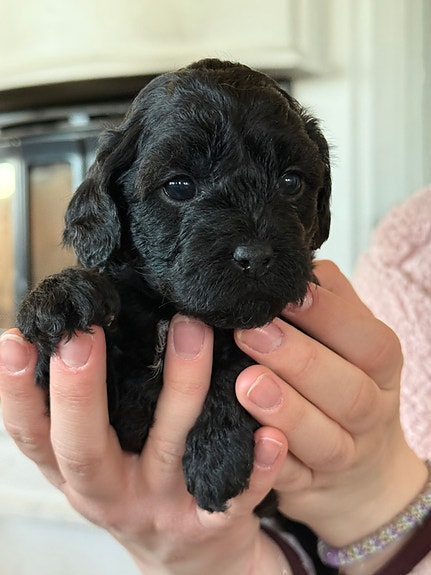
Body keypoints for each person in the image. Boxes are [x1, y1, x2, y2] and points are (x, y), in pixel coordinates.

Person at [0, 258, 430, 574]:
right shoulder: (401, 256)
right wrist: (212, 563)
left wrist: (380, 504)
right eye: (180, 187)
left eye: (289, 184)